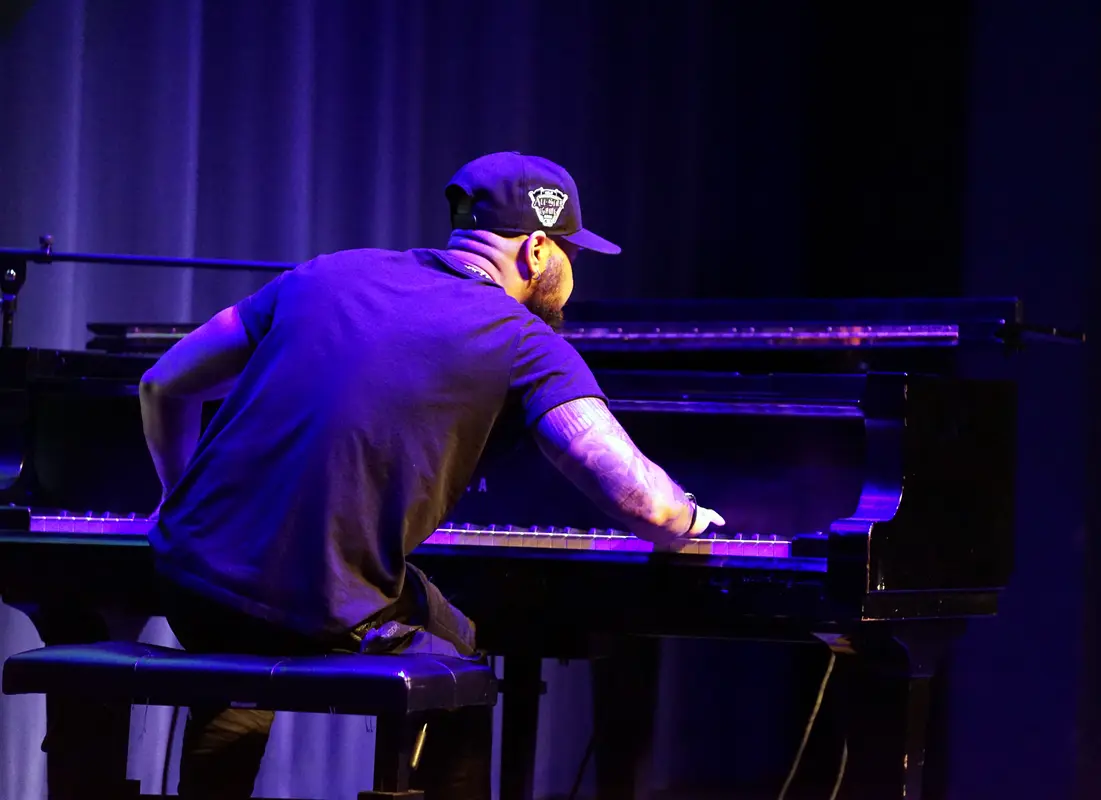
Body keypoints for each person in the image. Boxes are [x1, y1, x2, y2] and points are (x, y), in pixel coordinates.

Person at [139, 151, 725, 799]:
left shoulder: (330, 272)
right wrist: (690, 518)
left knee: (262, 640)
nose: (573, 274)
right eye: (571, 254)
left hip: (188, 578)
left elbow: (162, 383)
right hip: (305, 602)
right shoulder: (522, 338)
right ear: (535, 250)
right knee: (459, 676)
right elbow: (641, 502)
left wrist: (178, 497)